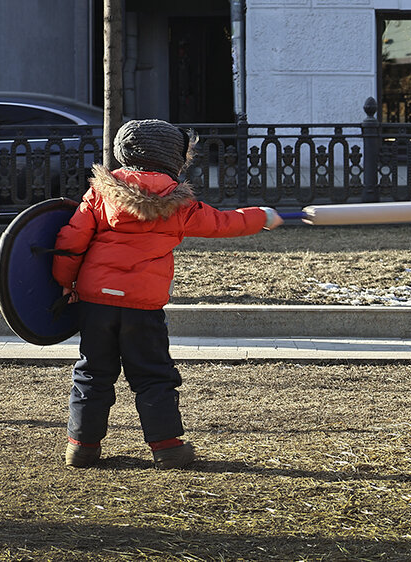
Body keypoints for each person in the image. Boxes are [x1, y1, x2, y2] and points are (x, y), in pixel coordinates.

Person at [52, 119, 284, 470]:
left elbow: (71, 242)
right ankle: (168, 447)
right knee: (152, 374)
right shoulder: (179, 205)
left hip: (96, 302)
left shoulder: (100, 193)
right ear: (172, 158)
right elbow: (224, 223)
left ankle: (81, 447)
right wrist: (261, 216)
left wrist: (65, 284)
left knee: (92, 373)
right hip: (143, 307)